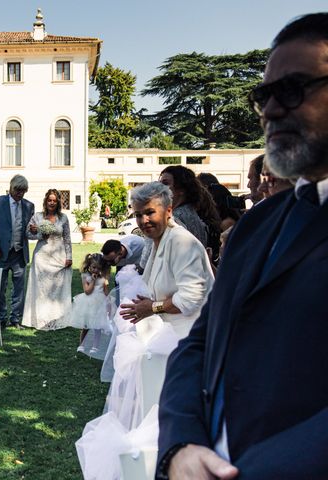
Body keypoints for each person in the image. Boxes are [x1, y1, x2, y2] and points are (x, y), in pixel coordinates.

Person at [157, 14, 328, 478]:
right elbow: (200, 345)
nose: (271, 111)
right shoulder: (259, 225)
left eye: (292, 90)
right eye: (263, 96)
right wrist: (181, 445)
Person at [120, 182, 214, 339]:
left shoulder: (181, 242)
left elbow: (190, 299)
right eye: (138, 215)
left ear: (168, 211)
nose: (144, 221)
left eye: (150, 212)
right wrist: (148, 304)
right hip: (172, 334)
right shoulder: (159, 241)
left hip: (192, 337)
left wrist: (153, 307)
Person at [0, 175, 34, 328]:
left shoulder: (29, 206)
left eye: (23, 191)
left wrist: (34, 230)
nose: (20, 194)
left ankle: (16, 319)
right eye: (18, 190)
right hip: (0, 253)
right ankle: (2, 318)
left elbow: (28, 231)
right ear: (11, 188)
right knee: (0, 287)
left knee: (19, 288)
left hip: (19, 253)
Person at [22, 188, 73, 330]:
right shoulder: (37, 216)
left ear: (58, 203)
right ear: (46, 201)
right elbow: (27, 234)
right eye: (49, 200)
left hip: (59, 256)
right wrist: (38, 234)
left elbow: (67, 238)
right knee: (41, 289)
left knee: (57, 288)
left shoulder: (63, 218)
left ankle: (57, 317)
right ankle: (40, 318)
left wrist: (69, 257)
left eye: (54, 201)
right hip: (42, 257)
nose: (52, 203)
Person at [159, 165, 221, 257]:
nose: (159, 188)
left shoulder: (174, 218)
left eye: (165, 183)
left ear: (181, 189)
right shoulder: (191, 213)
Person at [70, 253, 111, 354]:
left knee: (98, 327)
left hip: (100, 304)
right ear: (89, 266)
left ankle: (95, 346)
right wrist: (93, 280)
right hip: (88, 304)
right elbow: (87, 291)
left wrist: (108, 304)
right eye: (93, 267)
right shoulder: (85, 276)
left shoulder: (104, 278)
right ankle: (82, 344)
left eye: (98, 268)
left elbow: (106, 291)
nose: (95, 270)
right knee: (86, 326)